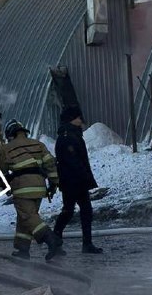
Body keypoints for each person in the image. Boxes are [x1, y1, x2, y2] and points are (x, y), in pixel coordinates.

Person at [2, 118, 65, 261]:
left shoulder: (7, 148)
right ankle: (22, 249)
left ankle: (51, 240)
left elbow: (1, 170)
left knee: (29, 217)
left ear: (10, 134)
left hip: (22, 187)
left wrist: (4, 186)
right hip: (39, 186)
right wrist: (54, 183)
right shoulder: (38, 144)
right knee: (26, 217)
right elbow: (50, 164)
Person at [53, 105, 103, 254]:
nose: (81, 120)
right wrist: (84, 176)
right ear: (71, 119)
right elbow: (72, 161)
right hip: (71, 181)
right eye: (78, 117)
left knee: (85, 210)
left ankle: (86, 243)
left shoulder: (73, 135)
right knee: (68, 211)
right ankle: (55, 237)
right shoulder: (67, 137)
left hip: (77, 181)